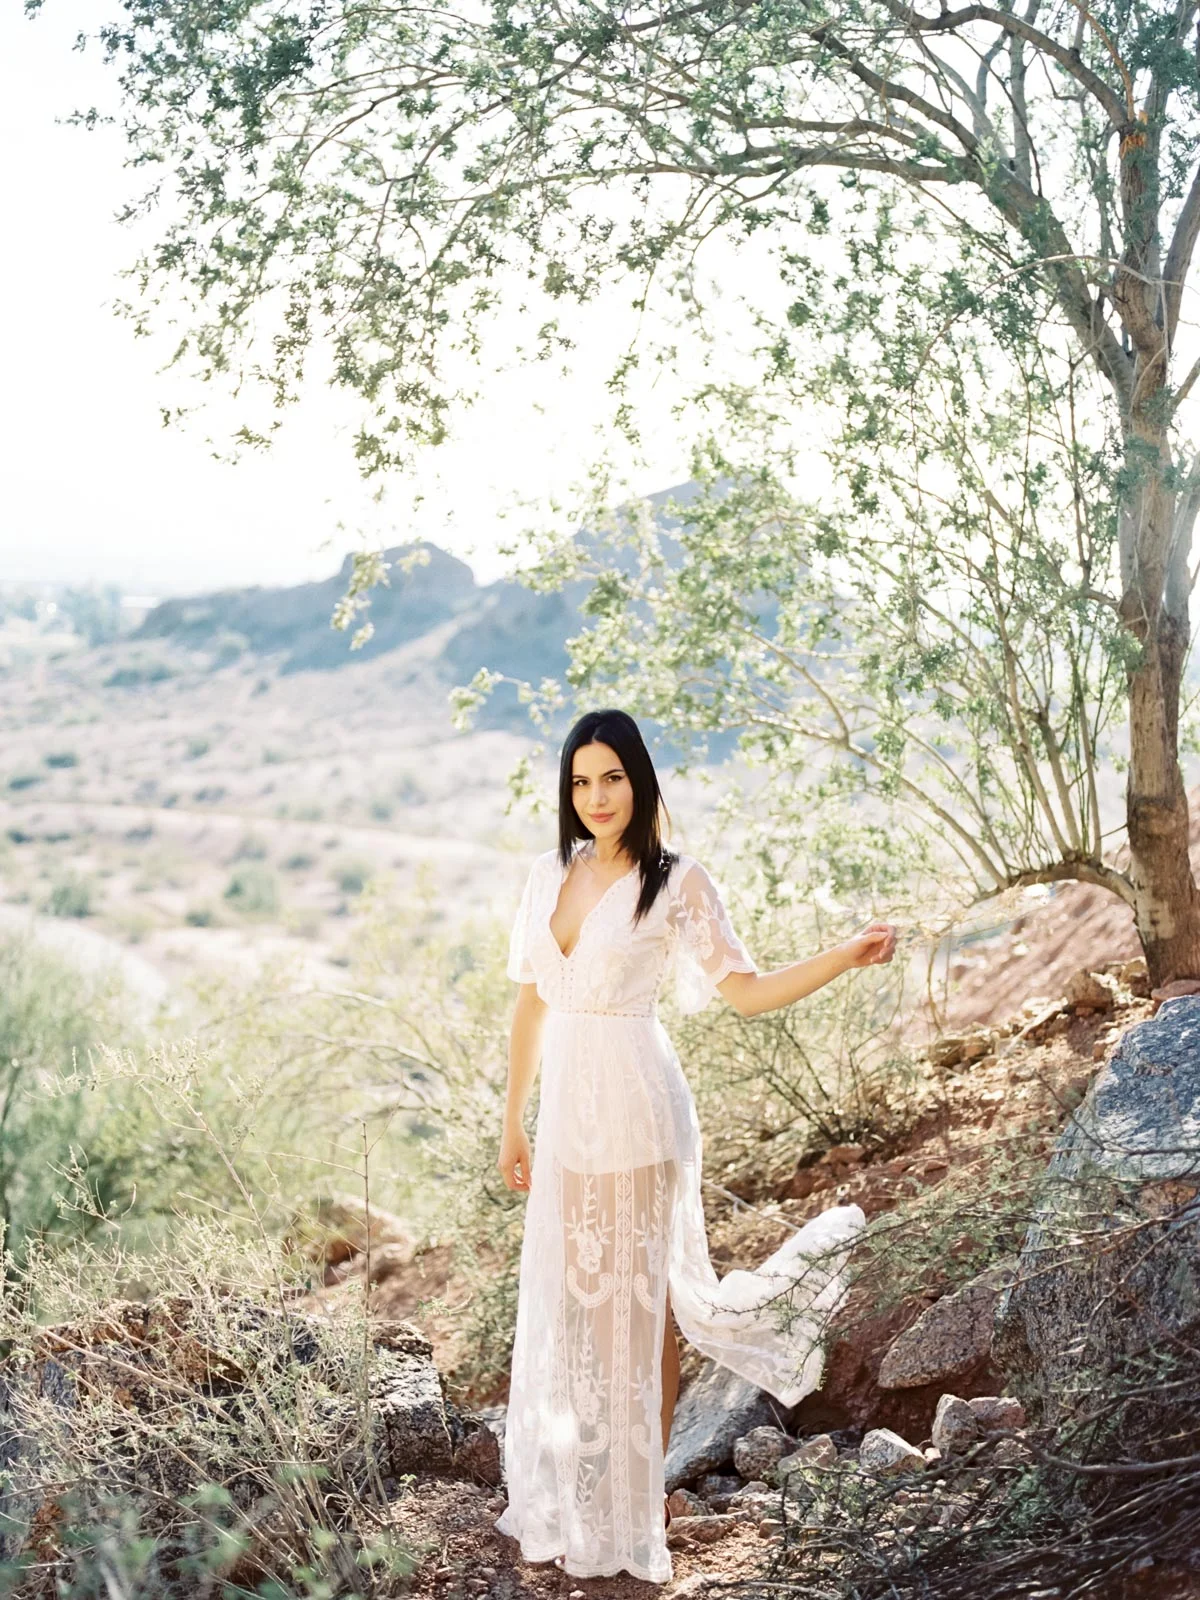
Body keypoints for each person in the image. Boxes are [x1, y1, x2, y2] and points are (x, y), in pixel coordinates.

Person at [494, 709, 897, 1584]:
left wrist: (841, 955)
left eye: (613, 777)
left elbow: (745, 992)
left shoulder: (675, 881)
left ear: (639, 781)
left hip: (637, 1105)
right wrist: (511, 1118)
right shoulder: (546, 875)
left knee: (638, 1314)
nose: (597, 797)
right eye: (580, 781)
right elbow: (530, 1001)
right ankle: (577, 1498)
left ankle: (636, 1518)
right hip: (565, 1110)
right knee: (569, 1305)